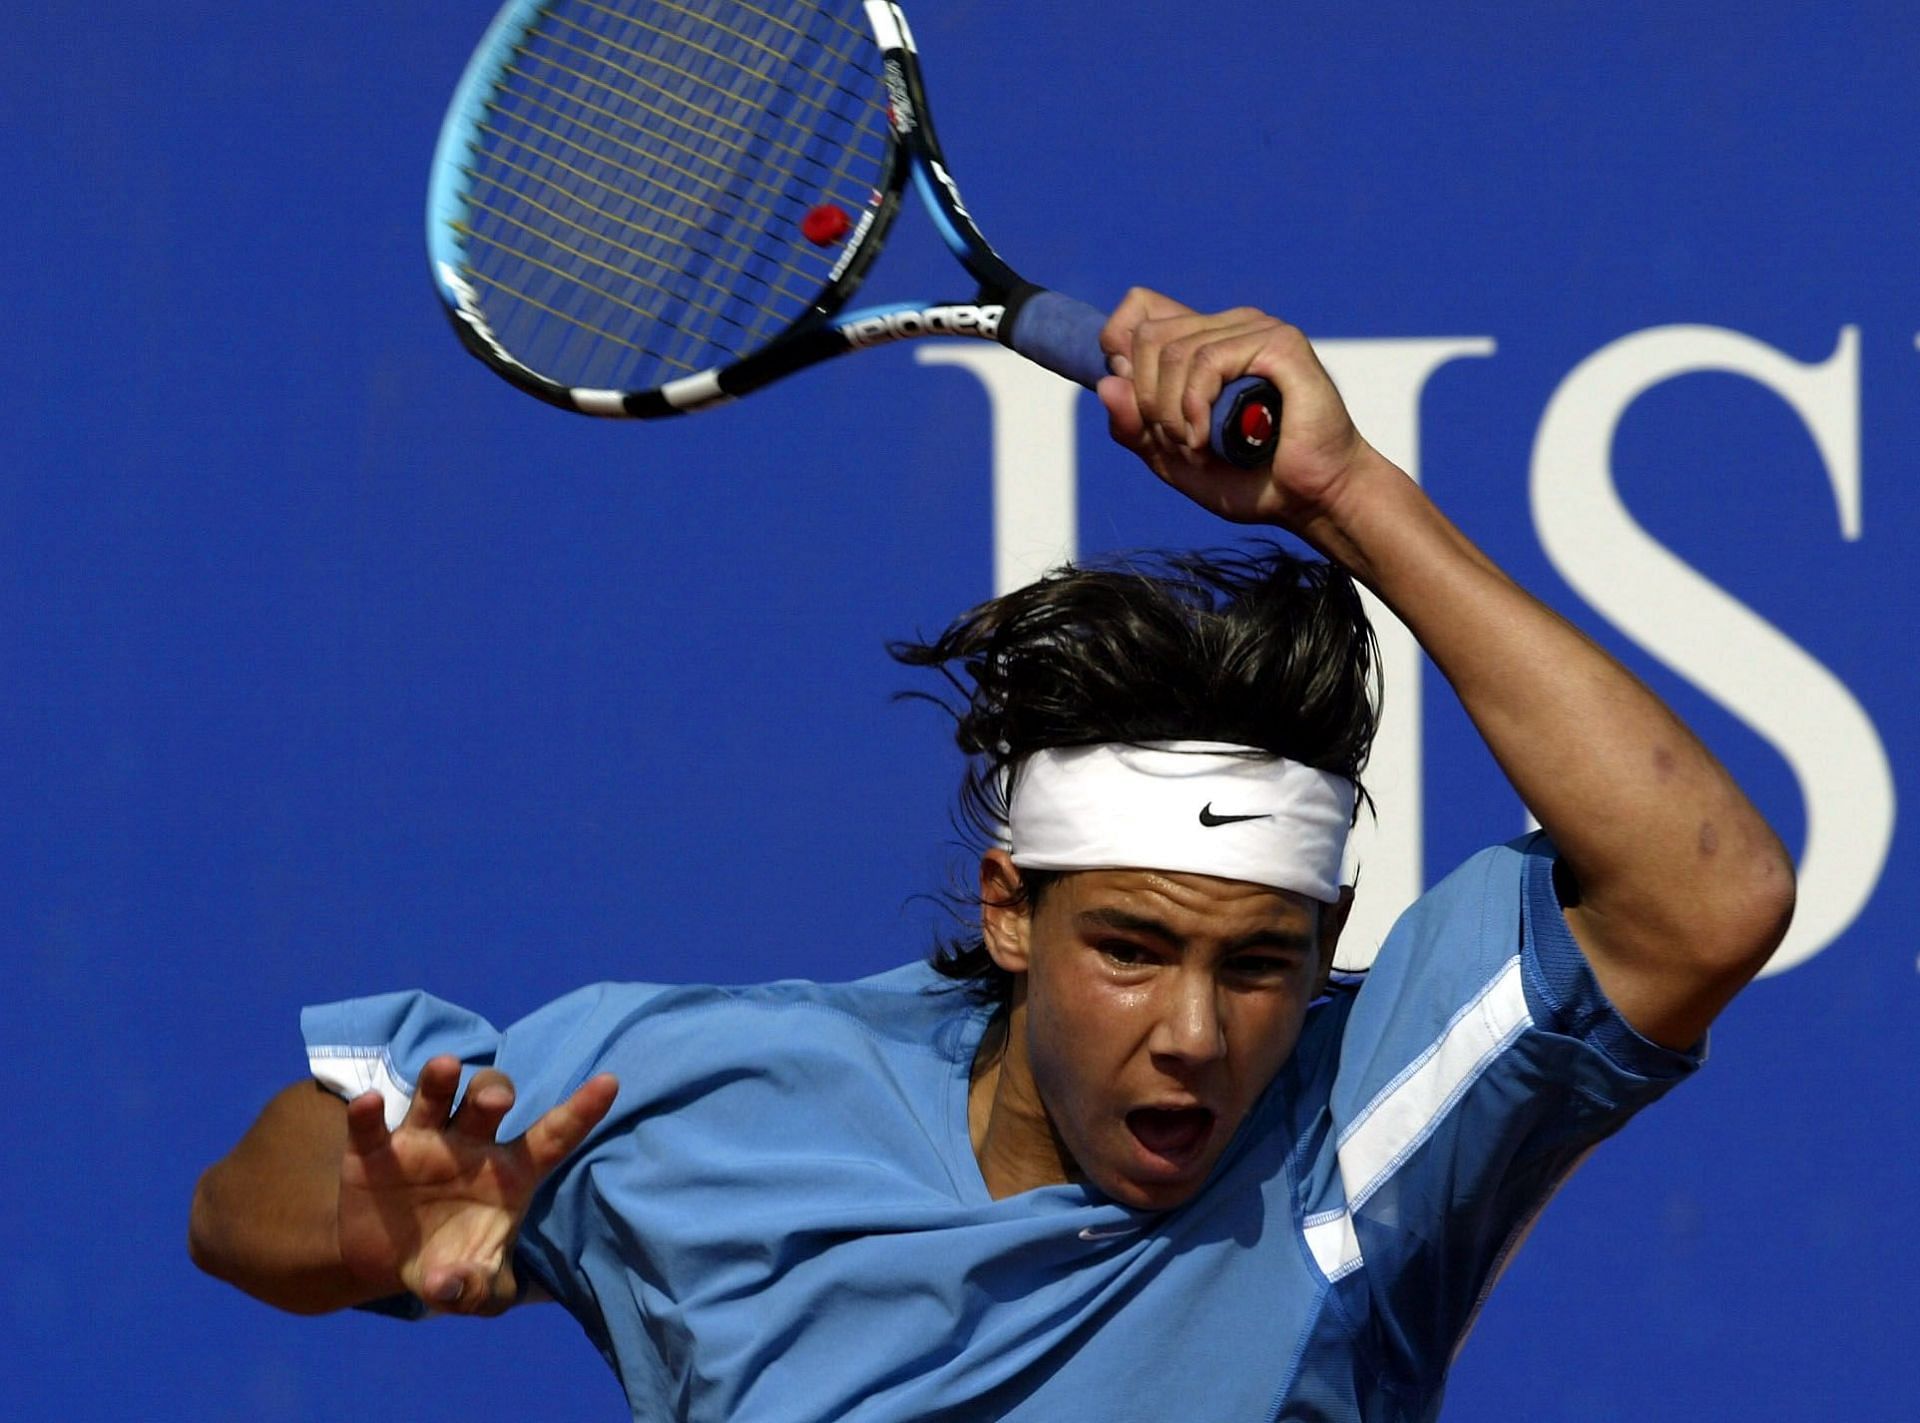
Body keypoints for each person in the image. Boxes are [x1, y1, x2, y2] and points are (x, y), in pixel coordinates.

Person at [189, 290, 1794, 1420]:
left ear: (1323, 951)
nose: (1194, 1032)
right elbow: (234, 1211)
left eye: (1259, 963)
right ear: (1010, 909)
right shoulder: (687, 1101)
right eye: (1132, 948)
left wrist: (1346, 494)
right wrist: (355, 1221)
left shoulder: (1363, 1126)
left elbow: (1710, 890)